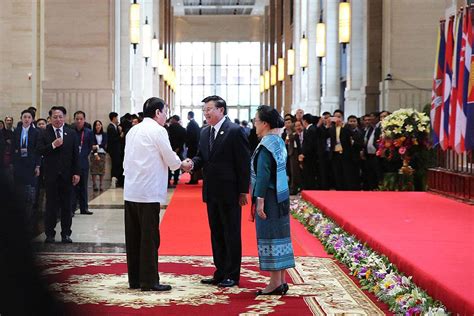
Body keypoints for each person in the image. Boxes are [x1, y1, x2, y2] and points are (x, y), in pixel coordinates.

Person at [183, 95, 250, 288]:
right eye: (204, 110)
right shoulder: (205, 132)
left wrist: (243, 191)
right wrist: (191, 164)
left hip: (230, 191)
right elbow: (201, 157)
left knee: (231, 232)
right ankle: (220, 272)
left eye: (209, 109)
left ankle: (232, 274)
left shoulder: (235, 131)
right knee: (217, 232)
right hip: (211, 191)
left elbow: (243, 164)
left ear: (221, 110)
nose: (206, 113)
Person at [123, 97, 182, 292]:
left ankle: (135, 280)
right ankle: (149, 281)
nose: (166, 116)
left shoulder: (133, 130)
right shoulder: (158, 130)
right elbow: (171, 159)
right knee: (149, 238)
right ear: (157, 112)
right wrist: (183, 164)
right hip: (148, 193)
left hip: (131, 190)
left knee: (133, 237)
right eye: (164, 112)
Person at [251, 105, 294, 295]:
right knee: (281, 236)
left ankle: (275, 283)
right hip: (281, 194)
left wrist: (259, 200)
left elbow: (263, 175)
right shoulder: (278, 141)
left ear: (265, 124)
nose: (254, 124)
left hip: (268, 197)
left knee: (270, 237)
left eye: (256, 121)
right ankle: (281, 280)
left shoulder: (266, 144)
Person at [37, 106, 80, 243]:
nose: (58, 119)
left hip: (67, 176)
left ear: (65, 117)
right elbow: (39, 150)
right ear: (50, 118)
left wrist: (77, 173)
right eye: (55, 117)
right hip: (51, 176)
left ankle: (66, 234)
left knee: (67, 206)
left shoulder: (71, 133)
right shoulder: (44, 133)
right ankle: (50, 234)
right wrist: (53, 145)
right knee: (51, 206)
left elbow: (75, 156)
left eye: (60, 116)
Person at [12, 109, 41, 235]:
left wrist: (38, 166)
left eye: (29, 117)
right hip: (19, 164)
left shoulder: (36, 132)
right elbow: (13, 147)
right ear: (21, 118)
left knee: (30, 191)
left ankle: (29, 218)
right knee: (19, 190)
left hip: (31, 163)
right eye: (24, 117)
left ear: (32, 119)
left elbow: (38, 150)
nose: (27, 119)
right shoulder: (17, 131)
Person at [71, 111, 94, 215]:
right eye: (77, 119)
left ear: (84, 120)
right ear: (74, 120)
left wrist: (83, 155)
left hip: (83, 162)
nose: (79, 121)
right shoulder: (71, 131)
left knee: (84, 186)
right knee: (73, 187)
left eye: (81, 119)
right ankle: (71, 208)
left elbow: (90, 146)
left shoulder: (88, 132)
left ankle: (84, 208)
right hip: (72, 163)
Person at [167, 115, 186, 187]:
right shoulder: (182, 129)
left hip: (169, 149)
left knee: (168, 165)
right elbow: (183, 140)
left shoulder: (169, 128)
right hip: (179, 149)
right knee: (177, 164)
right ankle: (175, 180)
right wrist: (178, 148)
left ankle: (168, 181)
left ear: (174, 120)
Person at [90, 120, 108, 191]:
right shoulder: (92, 134)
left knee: (101, 169)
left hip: (102, 152)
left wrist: (97, 146)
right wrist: (95, 153)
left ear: (101, 126)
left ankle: (101, 184)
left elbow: (104, 144)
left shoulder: (104, 134)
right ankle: (94, 184)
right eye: (96, 125)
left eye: (99, 125)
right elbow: (92, 144)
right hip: (93, 153)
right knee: (94, 169)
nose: (98, 126)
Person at [107, 112, 123, 188]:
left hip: (117, 150)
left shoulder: (115, 127)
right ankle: (113, 180)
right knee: (115, 165)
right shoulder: (110, 127)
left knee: (117, 165)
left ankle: (116, 180)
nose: (117, 119)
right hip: (113, 150)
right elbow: (113, 139)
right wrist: (120, 135)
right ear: (113, 118)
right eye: (116, 117)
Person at [185, 111, 200, 184]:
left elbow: (190, 136)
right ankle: (194, 178)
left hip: (192, 146)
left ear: (189, 115)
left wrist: (187, 144)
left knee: (191, 162)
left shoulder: (191, 124)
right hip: (196, 146)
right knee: (194, 162)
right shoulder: (196, 123)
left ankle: (193, 179)